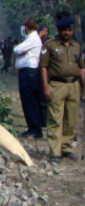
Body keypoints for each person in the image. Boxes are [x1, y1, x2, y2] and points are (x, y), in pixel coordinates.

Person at [40, 13, 85, 162]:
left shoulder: (77, 47)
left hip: (74, 85)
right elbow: (44, 67)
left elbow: (82, 67)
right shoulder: (50, 45)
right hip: (56, 85)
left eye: (69, 30)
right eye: (64, 30)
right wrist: (46, 86)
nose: (67, 33)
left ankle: (67, 148)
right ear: (59, 30)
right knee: (55, 119)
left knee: (71, 120)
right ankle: (55, 151)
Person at [13, 19, 43, 139]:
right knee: (28, 101)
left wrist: (18, 48)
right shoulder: (31, 38)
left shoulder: (33, 38)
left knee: (30, 101)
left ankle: (35, 130)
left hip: (29, 72)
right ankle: (32, 128)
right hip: (28, 72)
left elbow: (17, 50)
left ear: (26, 27)